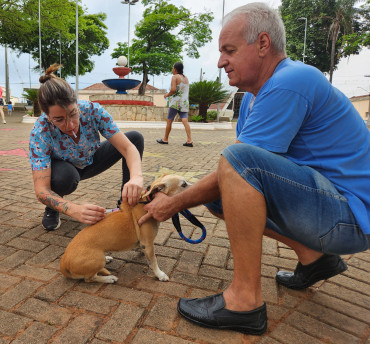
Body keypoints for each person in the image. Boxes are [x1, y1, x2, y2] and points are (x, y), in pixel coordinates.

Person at [138, 2, 370, 335]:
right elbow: (236, 183)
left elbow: (241, 165)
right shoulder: (251, 98)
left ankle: (244, 302)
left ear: (263, 44)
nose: (220, 62)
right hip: (328, 210)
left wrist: (173, 202)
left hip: (351, 218)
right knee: (221, 196)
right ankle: (314, 258)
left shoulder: (292, 80)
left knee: (238, 159)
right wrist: (188, 195)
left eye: (229, 50)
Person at [29, 64, 144, 231]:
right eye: (59, 119)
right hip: (64, 170)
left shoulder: (93, 111)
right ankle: (54, 207)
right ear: (47, 116)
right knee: (64, 178)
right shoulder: (40, 131)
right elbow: (41, 190)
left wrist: (136, 177)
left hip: (90, 160)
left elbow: (128, 148)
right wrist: (73, 209)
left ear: (76, 103)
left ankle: (127, 206)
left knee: (134, 138)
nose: (70, 125)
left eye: (73, 113)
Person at [156, 62, 193, 147]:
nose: (172, 69)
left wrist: (167, 95)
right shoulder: (186, 78)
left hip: (175, 103)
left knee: (169, 120)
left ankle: (165, 139)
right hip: (184, 102)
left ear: (175, 69)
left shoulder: (175, 77)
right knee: (185, 121)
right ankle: (189, 140)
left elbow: (173, 90)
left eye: (173, 68)